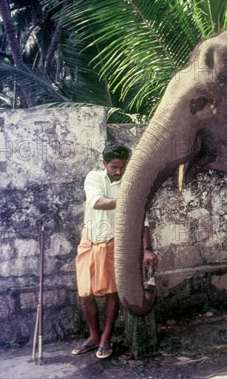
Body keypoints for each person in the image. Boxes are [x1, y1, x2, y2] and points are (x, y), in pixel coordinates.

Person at [71, 143, 158, 359]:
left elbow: (143, 222)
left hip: (113, 242)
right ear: (105, 164)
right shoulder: (93, 178)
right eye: (114, 167)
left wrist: (147, 250)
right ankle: (93, 336)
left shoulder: (131, 184)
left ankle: (105, 338)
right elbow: (97, 203)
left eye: (122, 167)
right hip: (89, 240)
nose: (119, 172)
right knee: (85, 292)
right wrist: (129, 202)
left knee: (112, 291)